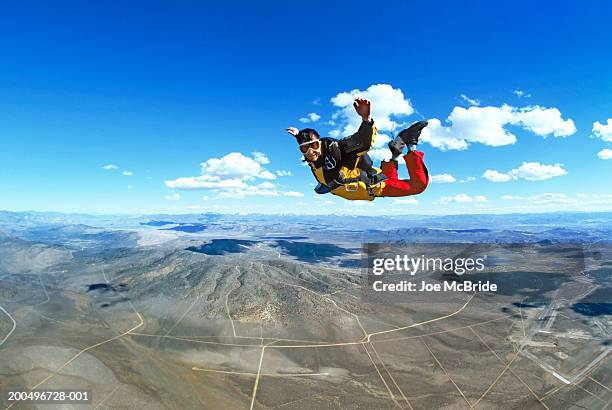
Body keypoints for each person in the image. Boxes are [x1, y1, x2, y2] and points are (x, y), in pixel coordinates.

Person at [286, 97, 429, 201]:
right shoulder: (313, 156)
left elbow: (362, 141)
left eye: (314, 146)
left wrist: (366, 120)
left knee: (419, 186)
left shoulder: (337, 150)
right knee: (392, 178)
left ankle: (411, 145)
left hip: (376, 186)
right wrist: (298, 135)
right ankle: (395, 151)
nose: (311, 152)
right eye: (304, 149)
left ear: (320, 143)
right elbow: (308, 143)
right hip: (374, 179)